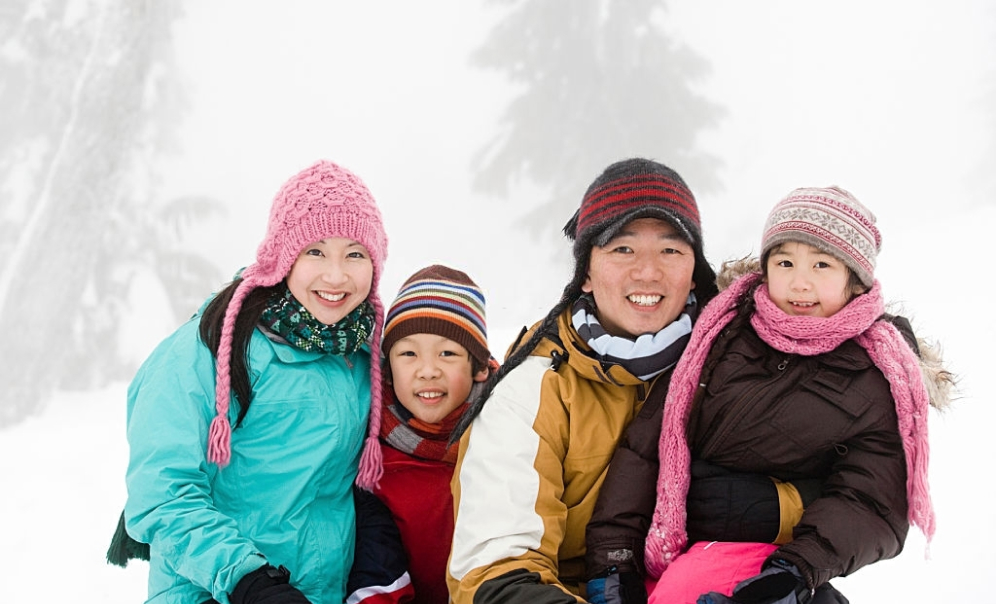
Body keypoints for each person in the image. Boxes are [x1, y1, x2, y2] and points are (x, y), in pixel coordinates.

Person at [586, 185, 953, 604]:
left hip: (772, 557)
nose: (800, 282)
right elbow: (646, 448)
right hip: (668, 543)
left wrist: (794, 571)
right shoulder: (722, 333)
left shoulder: (874, 374)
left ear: (854, 281)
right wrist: (612, 560)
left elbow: (872, 499)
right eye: (785, 262)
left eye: (821, 264)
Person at [444, 157, 721, 604]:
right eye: (622, 249)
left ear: (694, 271)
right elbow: (497, 570)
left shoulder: (731, 365)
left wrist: (770, 509)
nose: (648, 271)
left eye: (671, 249)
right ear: (586, 273)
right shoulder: (535, 384)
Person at [120, 159, 389, 604]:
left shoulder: (361, 353)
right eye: (315, 252)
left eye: (354, 254)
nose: (336, 276)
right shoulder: (215, 347)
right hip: (217, 592)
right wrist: (249, 581)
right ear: (284, 257)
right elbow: (161, 493)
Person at [346, 264, 499, 604]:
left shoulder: (507, 437)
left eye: (448, 353)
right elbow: (374, 573)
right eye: (408, 353)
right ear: (388, 368)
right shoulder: (373, 458)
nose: (427, 371)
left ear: (478, 368)